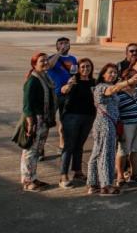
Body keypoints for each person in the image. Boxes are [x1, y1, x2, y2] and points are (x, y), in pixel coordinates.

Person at [87, 63, 137, 196]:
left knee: (97, 154)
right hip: (104, 124)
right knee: (106, 154)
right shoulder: (101, 87)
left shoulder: (113, 86)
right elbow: (111, 91)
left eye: (115, 73)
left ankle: (93, 183)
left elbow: (116, 89)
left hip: (110, 124)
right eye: (110, 72)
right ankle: (105, 185)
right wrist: (128, 81)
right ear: (103, 74)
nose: (113, 75)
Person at [20, 52, 57, 192]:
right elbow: (27, 105)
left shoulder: (45, 77)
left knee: (37, 151)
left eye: (47, 60)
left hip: (44, 119)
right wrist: (30, 123)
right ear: (34, 64)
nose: (45, 63)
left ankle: (33, 177)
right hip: (35, 120)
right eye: (42, 61)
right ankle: (27, 181)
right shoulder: (33, 80)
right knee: (30, 151)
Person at [57, 57, 95, 188]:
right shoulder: (74, 81)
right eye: (83, 66)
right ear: (78, 69)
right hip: (72, 117)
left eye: (88, 66)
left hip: (88, 117)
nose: (85, 69)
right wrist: (68, 85)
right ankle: (63, 176)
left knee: (79, 145)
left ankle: (77, 171)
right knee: (69, 146)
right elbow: (63, 91)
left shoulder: (93, 83)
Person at [115, 58, 137, 186]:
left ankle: (133, 174)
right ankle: (120, 176)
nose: (133, 78)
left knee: (136, 150)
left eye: (134, 76)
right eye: (129, 77)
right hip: (126, 124)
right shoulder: (119, 93)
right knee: (123, 150)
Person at [46, 37, 76, 159]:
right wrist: (58, 53)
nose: (64, 45)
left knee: (64, 122)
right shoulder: (52, 57)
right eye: (61, 43)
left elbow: (75, 73)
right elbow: (49, 66)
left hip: (67, 94)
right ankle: (40, 148)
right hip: (54, 94)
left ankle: (62, 145)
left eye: (66, 43)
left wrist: (72, 81)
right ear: (57, 46)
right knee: (47, 121)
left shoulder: (73, 59)